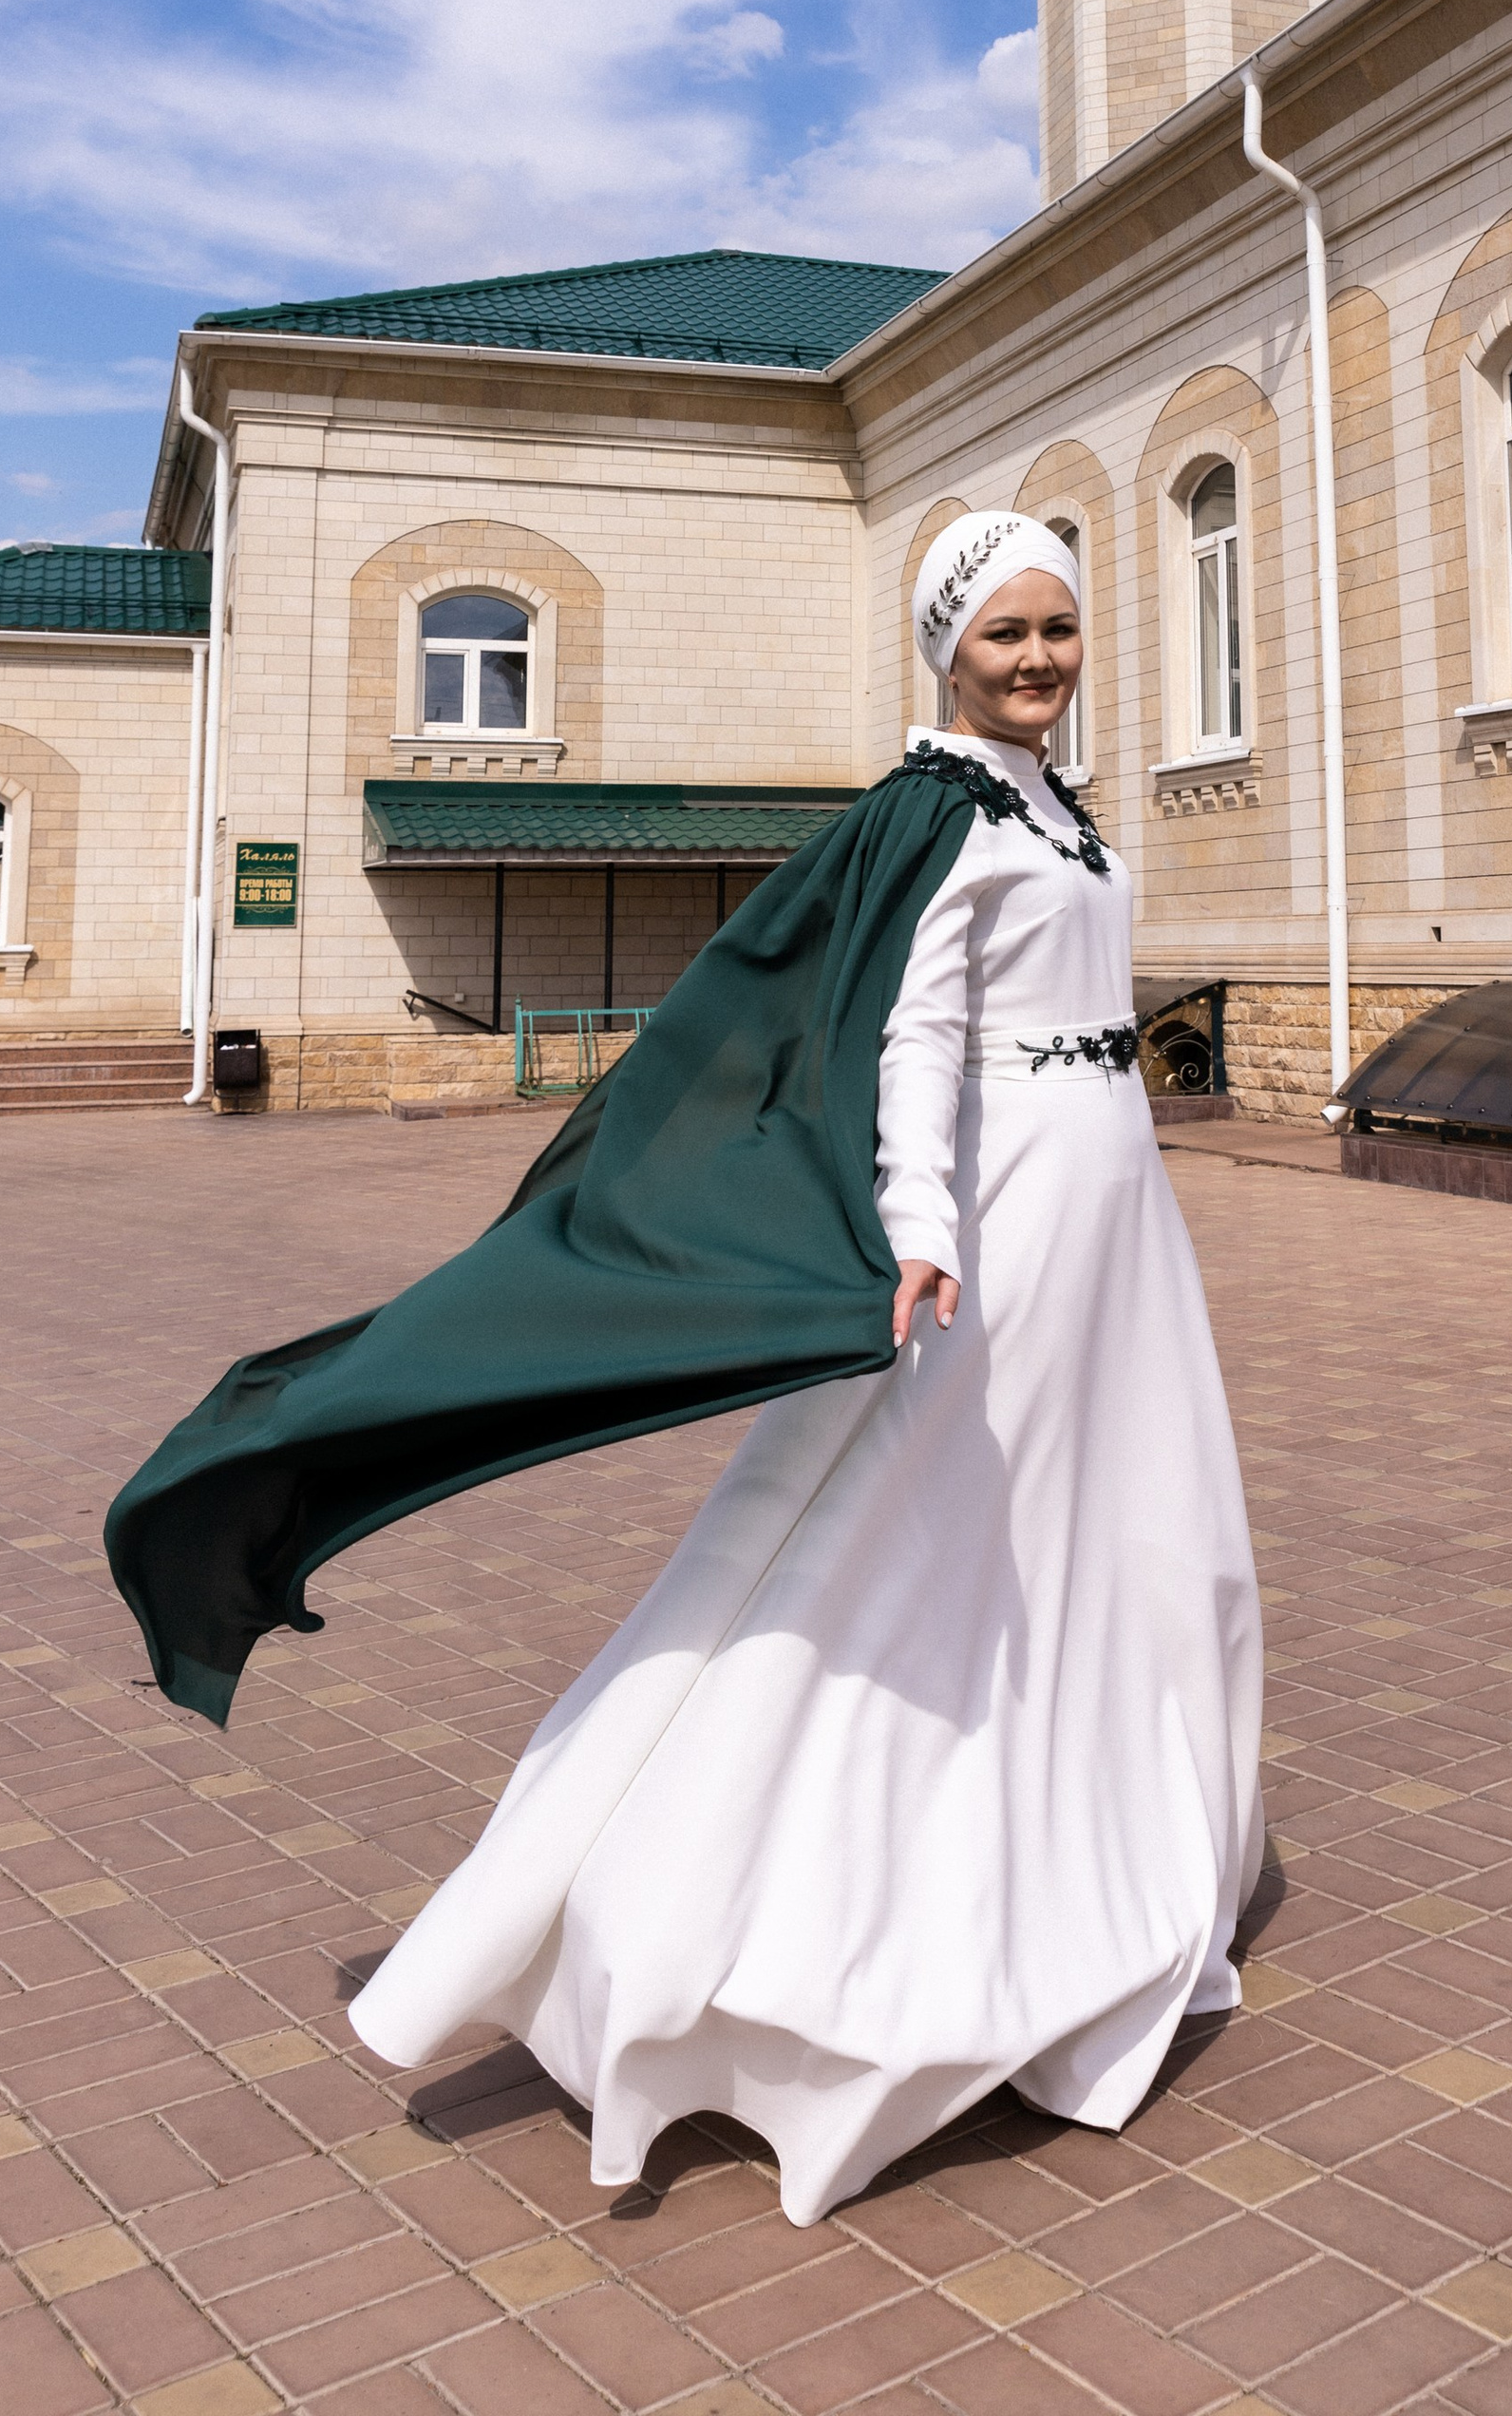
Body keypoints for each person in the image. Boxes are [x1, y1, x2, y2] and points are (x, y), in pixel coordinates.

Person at [343, 511, 1263, 2224]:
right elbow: (912, 1030)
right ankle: (742, 1920)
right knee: (916, 1540)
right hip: (1010, 1208)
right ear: (946, 648)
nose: (1042, 659)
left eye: (1061, 629)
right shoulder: (935, 808)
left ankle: (1113, 1820)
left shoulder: (1049, 800)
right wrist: (920, 1220)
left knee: (1110, 1527)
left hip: (1110, 1200)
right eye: (1008, 636)